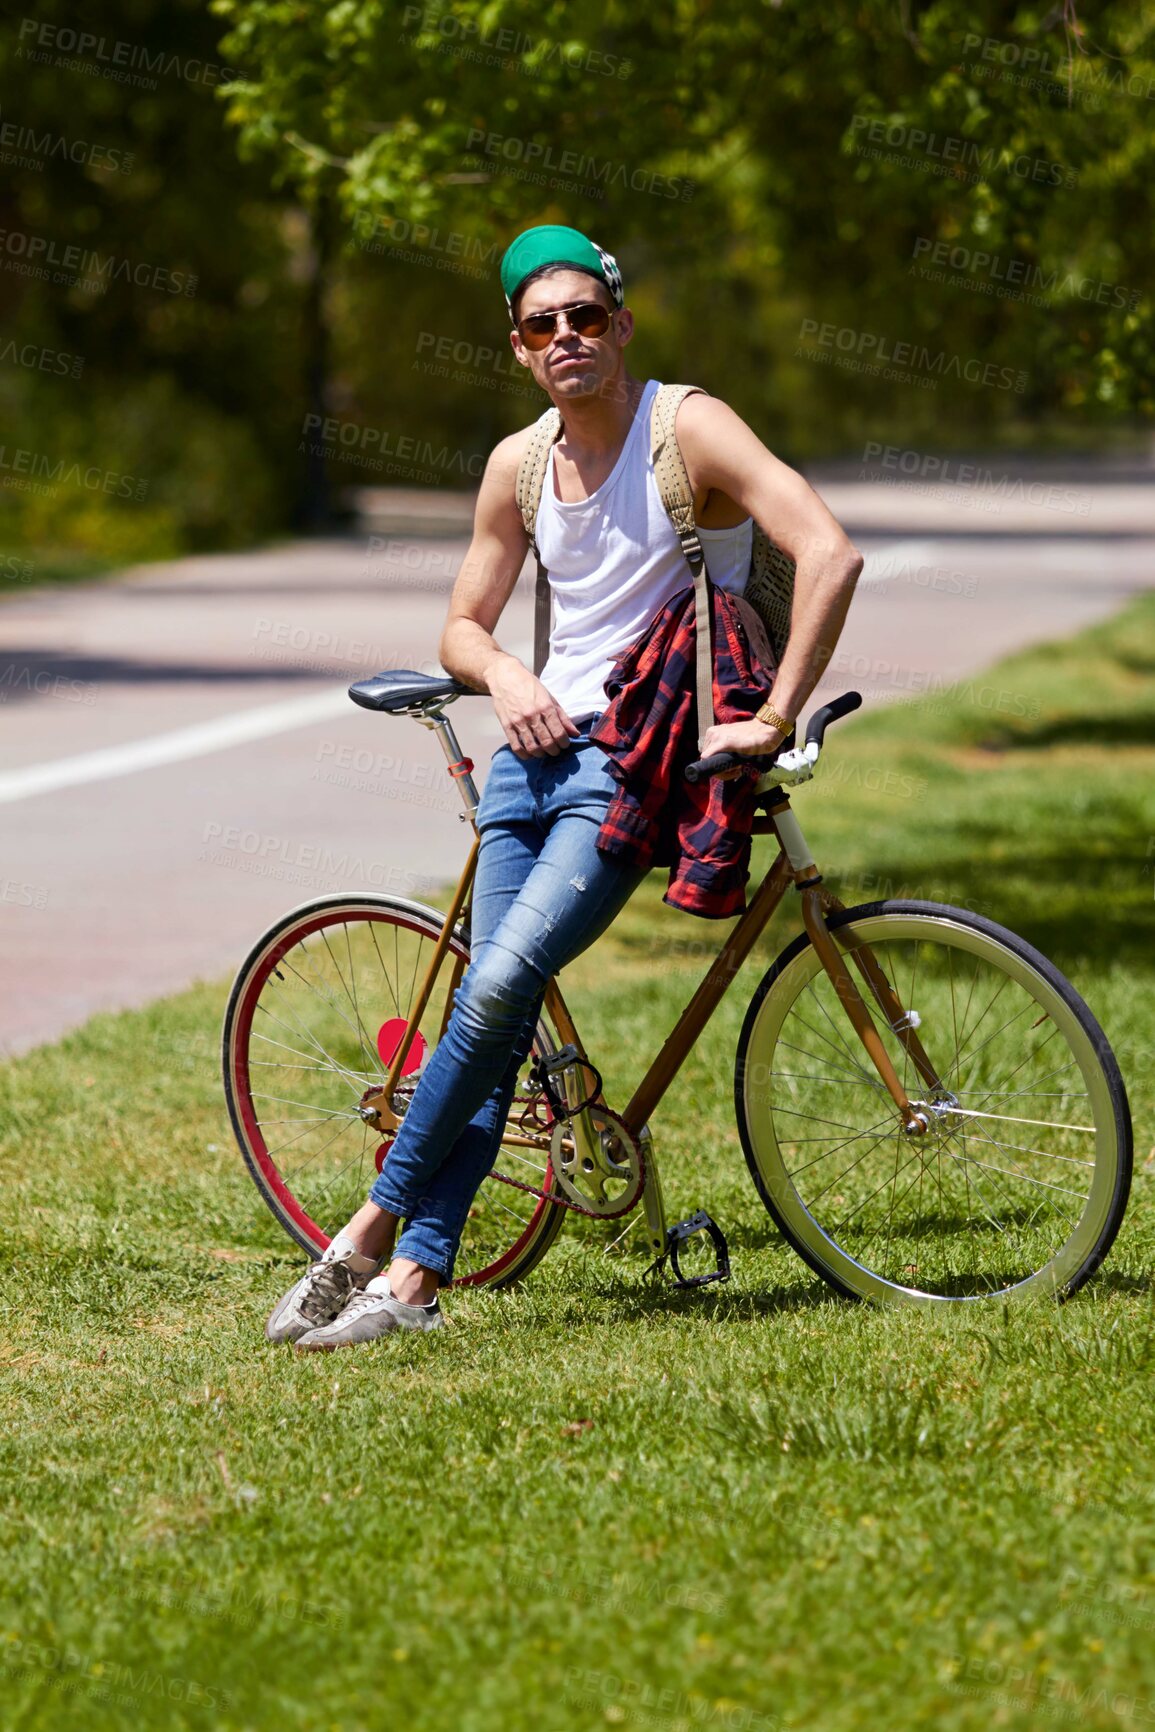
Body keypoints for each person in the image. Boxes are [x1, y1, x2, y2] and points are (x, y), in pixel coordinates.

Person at [265, 223, 863, 1351]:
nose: (568, 337)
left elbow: (828, 550)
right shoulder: (519, 464)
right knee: (493, 1007)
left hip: (624, 766)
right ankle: (414, 1289)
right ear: (519, 347)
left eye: (586, 317)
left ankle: (361, 1233)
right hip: (524, 766)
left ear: (621, 326)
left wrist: (773, 715)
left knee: (495, 988)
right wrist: (502, 671)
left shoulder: (688, 428)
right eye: (544, 325)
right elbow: (460, 623)